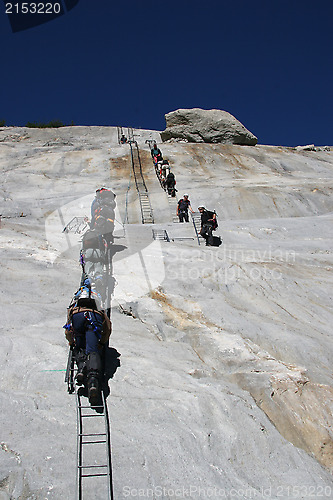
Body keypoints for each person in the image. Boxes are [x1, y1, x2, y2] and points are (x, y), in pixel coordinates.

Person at [64, 282, 112, 404]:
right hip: (94, 316)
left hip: (78, 315)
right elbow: (107, 328)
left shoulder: (75, 303)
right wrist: (102, 342)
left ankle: (81, 369)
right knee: (92, 350)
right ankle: (93, 381)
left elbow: (68, 330)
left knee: (79, 346)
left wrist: (71, 342)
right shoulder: (98, 303)